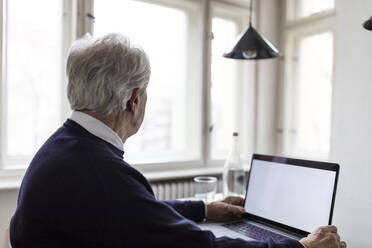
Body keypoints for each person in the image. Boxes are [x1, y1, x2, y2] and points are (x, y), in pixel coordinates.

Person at [10, 34, 346, 248]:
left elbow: (134, 212)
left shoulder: (66, 146)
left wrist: (203, 209)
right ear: (134, 100)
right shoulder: (99, 171)